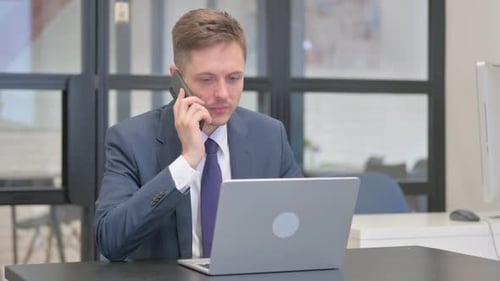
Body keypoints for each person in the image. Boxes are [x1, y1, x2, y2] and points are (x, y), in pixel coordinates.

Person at [94, 8, 303, 261]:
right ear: (177, 79)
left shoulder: (270, 135)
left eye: (234, 78)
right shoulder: (130, 140)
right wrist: (187, 161)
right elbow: (110, 240)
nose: (223, 94)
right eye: (207, 79)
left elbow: (300, 226)